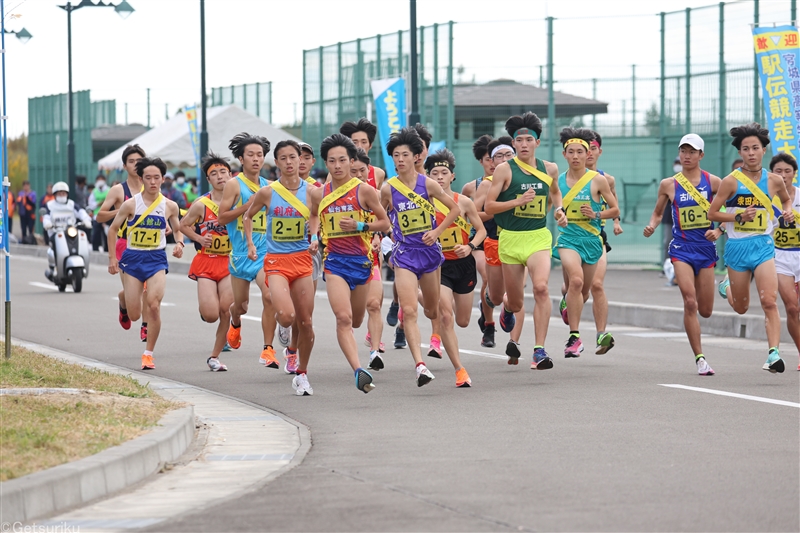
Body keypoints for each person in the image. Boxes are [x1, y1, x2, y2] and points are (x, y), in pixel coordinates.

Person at [709, 123, 795, 374]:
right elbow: (712, 212)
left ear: (764, 150)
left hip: (764, 245)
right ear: (740, 152)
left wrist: (787, 212)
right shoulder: (730, 182)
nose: (751, 153)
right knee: (742, 307)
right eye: (745, 149)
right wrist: (737, 218)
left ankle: (773, 354)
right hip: (737, 248)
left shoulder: (775, 180)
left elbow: (787, 200)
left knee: (769, 301)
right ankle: (726, 287)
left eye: (755, 148)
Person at [485, 112, 566, 369]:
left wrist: (559, 209)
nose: (523, 144)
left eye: (528, 139)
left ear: (537, 143)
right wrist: (517, 201)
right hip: (510, 239)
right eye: (518, 139)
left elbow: (555, 192)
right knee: (516, 300)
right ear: (513, 143)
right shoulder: (504, 170)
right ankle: (508, 308)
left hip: (538, 236)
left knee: (541, 288)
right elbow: (490, 206)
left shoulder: (549, 168)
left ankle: (539, 349)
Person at [381, 127, 461, 387]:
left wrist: (437, 231)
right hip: (404, 254)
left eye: (405, 154)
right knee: (410, 311)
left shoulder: (428, 184)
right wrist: (384, 234)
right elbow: (379, 216)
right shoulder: (387, 189)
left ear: (416, 157)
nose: (400, 159)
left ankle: (442, 345)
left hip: (429, 254)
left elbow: (455, 209)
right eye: (396, 155)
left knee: (431, 309)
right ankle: (420, 365)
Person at [243, 140, 321, 395]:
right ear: (276, 163)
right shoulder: (267, 192)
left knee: (306, 322)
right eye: (283, 158)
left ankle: (302, 374)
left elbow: (316, 215)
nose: (289, 162)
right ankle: (283, 326)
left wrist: (315, 237)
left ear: (301, 160)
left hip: (302, 260)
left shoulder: (312, 192)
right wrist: (251, 245)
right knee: (287, 316)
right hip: (276, 261)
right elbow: (247, 216)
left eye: (293, 157)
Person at [643, 134, 723, 375]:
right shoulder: (669, 184)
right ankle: (700, 358)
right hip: (682, 249)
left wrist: (718, 230)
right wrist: (652, 225)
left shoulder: (715, 182)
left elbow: (729, 212)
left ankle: (725, 286)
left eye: (692, 151)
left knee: (706, 310)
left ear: (701, 155)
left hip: (706, 249)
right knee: (690, 301)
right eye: (683, 151)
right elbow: (657, 213)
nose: (686, 156)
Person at [319, 133, 390, 393]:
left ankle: (362, 353)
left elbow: (385, 223)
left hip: (361, 262)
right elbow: (313, 222)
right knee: (343, 318)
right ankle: (359, 370)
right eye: (331, 161)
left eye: (342, 160)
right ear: (325, 164)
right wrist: (314, 238)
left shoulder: (365, 190)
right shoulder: (319, 194)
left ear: (351, 162)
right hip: (334, 262)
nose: (337, 166)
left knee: (358, 320)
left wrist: (361, 225)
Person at [107, 157, 184, 370]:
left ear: (163, 179)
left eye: (156, 178)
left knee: (153, 306)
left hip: (156, 259)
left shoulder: (170, 206)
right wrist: (113, 258)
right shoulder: (130, 204)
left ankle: (148, 353)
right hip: (132, 258)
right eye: (148, 178)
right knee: (134, 314)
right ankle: (123, 300)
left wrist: (179, 243)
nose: (152, 182)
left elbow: (177, 228)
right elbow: (113, 230)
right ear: (141, 179)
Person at [552, 128, 620, 358]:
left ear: (587, 153)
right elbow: (555, 207)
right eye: (570, 152)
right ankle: (574, 337)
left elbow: (614, 209)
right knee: (576, 281)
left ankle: (570, 308)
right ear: (564, 155)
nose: (575, 156)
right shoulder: (558, 181)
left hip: (592, 240)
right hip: (568, 239)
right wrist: (559, 215)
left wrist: (597, 215)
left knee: (585, 292)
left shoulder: (598, 180)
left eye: (580, 151)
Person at [216, 132, 279, 369]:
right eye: (250, 155)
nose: (256, 159)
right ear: (241, 159)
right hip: (241, 255)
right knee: (240, 306)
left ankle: (268, 349)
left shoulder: (271, 187)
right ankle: (235, 321)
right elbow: (222, 218)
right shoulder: (234, 184)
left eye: (260, 155)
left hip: (266, 252)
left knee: (269, 295)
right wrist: (247, 205)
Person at [426, 149, 486, 387]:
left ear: (453, 176)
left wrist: (470, 246)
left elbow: (481, 230)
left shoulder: (463, 202)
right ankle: (460, 370)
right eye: (434, 173)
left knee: (462, 320)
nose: (439, 177)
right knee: (446, 317)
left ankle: (424, 297)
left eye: (444, 173)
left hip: (463, 264)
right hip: (438, 265)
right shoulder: (425, 203)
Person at [179, 152, 235, 372]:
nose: (220, 176)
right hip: (207, 261)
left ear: (230, 175)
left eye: (223, 172)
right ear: (208, 180)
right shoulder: (202, 204)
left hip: (230, 262)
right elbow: (183, 225)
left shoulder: (239, 202)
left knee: (226, 309)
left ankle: (215, 356)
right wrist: (199, 238)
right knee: (211, 314)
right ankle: (205, 308)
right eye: (214, 174)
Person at [473, 137, 527, 358]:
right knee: (494, 294)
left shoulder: (524, 179)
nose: (504, 160)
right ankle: (489, 313)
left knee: (518, 292)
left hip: (520, 239)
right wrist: (503, 208)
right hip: (492, 240)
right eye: (498, 156)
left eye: (508, 155)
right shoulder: (484, 184)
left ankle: (514, 343)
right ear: (491, 162)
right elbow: (473, 213)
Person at [95, 146, 149, 339]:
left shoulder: (151, 188)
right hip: (126, 246)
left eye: (139, 161)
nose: (136, 165)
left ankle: (146, 326)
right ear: (125, 166)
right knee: (134, 291)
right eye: (131, 162)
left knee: (148, 288)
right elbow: (100, 216)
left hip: (149, 246)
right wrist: (120, 212)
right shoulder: (119, 190)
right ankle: (123, 299)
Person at [582, 131, 623, 354]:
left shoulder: (607, 180)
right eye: (584, 148)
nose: (589, 153)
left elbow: (612, 203)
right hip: (573, 238)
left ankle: (601, 335)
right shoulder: (569, 178)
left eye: (593, 148)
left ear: (600, 151)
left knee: (596, 285)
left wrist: (615, 222)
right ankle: (567, 301)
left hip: (597, 236)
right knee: (577, 289)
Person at [351, 148, 387, 355]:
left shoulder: (376, 194)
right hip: (341, 259)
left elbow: (383, 221)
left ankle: (375, 351)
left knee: (374, 304)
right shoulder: (335, 195)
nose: (358, 175)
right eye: (353, 171)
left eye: (362, 170)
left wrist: (376, 237)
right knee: (352, 318)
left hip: (369, 256)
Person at [462, 134, 495, 347]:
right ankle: (489, 326)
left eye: (496, 157)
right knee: (486, 275)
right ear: (481, 161)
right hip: (480, 239)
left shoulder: (512, 182)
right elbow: (465, 214)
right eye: (488, 159)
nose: (493, 163)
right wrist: (490, 212)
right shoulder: (471, 188)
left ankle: (486, 311)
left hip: (506, 238)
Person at [768, 153, 800, 370]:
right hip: (779, 256)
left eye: (787, 171)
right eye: (778, 171)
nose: (783, 175)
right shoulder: (767, 200)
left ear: (794, 174)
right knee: (791, 308)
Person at [42, 181, 92, 281]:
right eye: (59, 193)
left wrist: (87, 220)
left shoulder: (72, 204)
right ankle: (56, 267)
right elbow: (46, 217)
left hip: (70, 231)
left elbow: (81, 212)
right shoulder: (50, 205)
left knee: (82, 238)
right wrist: (47, 224)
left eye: (63, 193)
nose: (62, 195)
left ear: (67, 194)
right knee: (56, 243)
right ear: (55, 195)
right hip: (56, 232)